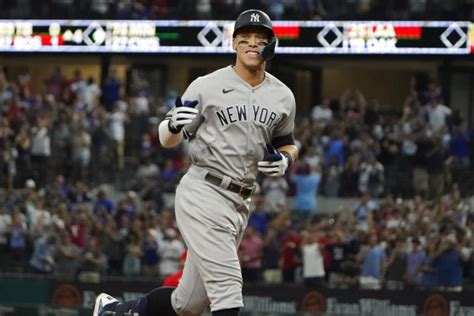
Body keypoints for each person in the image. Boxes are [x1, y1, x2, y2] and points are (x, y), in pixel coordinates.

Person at [93, 8, 298, 316]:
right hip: (204, 190)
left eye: (260, 38)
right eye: (245, 38)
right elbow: (166, 137)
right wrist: (174, 125)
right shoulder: (207, 85)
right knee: (228, 288)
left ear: (271, 44)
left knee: (189, 303)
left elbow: (287, 142)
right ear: (234, 44)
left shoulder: (283, 96)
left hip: (240, 201)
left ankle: (114, 311)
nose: (252, 43)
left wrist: (286, 159)